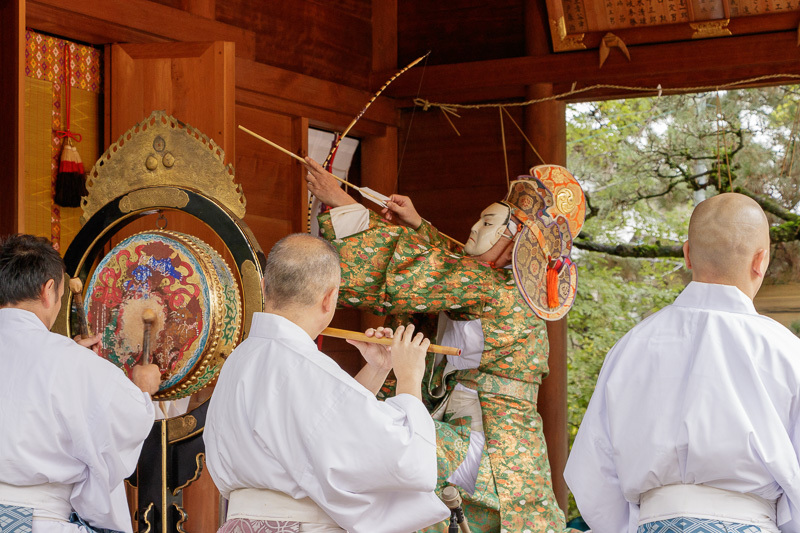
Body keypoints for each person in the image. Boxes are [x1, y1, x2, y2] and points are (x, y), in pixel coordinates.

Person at [303, 157, 585, 532]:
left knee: (376, 444)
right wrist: (418, 224)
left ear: (515, 237)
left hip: (490, 447)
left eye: (487, 223)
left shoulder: (489, 287)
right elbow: (448, 264)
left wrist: (343, 203)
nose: (472, 227)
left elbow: (411, 276)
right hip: (473, 433)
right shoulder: (494, 281)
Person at [565, 192, 800, 533]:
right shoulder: (786, 351)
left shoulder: (632, 346)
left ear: (687, 254)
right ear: (761, 260)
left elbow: (592, 473)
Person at [203, 233, 449, 533]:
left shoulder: (241, 358)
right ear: (330, 298)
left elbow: (321, 427)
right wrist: (409, 377)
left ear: (265, 288)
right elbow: (401, 457)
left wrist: (377, 369)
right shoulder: (301, 364)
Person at [0, 234, 161, 533]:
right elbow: (127, 421)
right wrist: (142, 389)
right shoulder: (71, 362)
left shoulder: (71, 360)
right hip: (39, 521)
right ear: (48, 290)